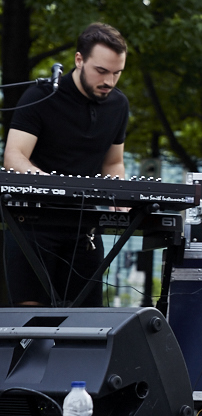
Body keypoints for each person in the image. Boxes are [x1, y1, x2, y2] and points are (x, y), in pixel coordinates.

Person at [3, 23, 129, 306]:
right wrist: (56, 186)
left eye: (117, 73)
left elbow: (113, 163)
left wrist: (121, 195)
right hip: (33, 221)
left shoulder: (119, 105)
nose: (109, 80)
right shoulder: (40, 96)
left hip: (85, 226)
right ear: (79, 60)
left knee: (85, 320)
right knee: (30, 319)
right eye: (101, 71)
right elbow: (14, 156)